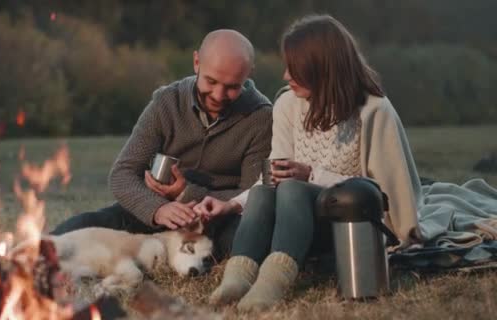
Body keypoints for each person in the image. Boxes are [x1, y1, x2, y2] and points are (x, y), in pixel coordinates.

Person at [194, 14, 424, 311]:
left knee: (291, 188)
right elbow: (273, 175)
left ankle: (273, 283)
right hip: (298, 226)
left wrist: (311, 174)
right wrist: (232, 205)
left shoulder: (374, 111)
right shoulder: (287, 104)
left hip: (351, 226)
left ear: (322, 70)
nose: (286, 77)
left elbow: (379, 195)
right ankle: (237, 278)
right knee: (268, 190)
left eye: (295, 69)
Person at [51, 30, 273, 261]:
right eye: (211, 81)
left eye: (232, 87)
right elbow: (122, 174)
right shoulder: (166, 102)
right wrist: (157, 209)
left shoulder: (262, 117)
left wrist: (187, 194)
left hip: (219, 222)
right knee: (84, 226)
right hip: (156, 211)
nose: (218, 95)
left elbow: (255, 194)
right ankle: (35, 256)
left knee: (246, 241)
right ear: (196, 62)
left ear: (249, 74)